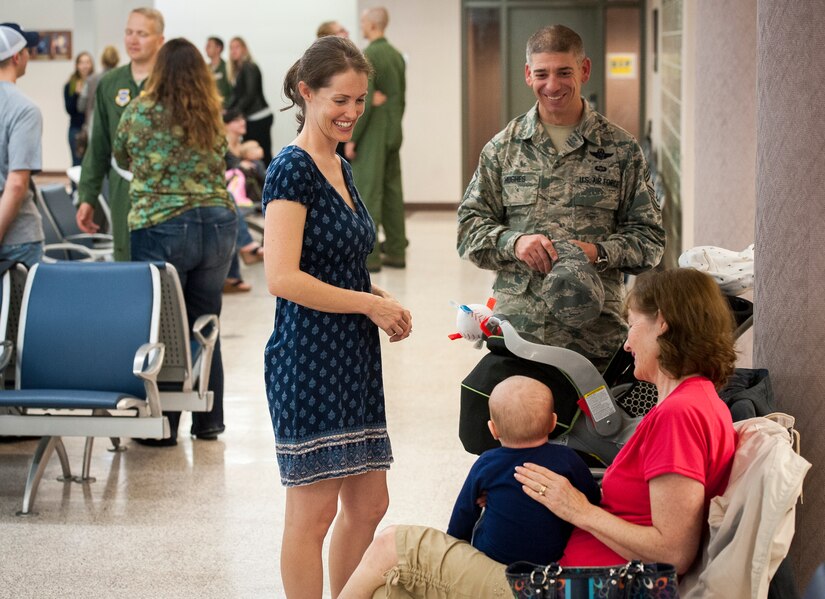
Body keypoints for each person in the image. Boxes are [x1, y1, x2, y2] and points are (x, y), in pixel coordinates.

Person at [339, 267, 739, 598]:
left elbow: (673, 551)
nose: (628, 341)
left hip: (573, 588)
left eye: (633, 326)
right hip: (572, 578)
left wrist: (577, 509)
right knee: (390, 592)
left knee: (391, 546)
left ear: (663, 325)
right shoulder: (694, 403)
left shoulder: (681, 416)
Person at [262, 35, 412, 599]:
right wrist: (368, 304)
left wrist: (380, 299)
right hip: (308, 356)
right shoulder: (291, 169)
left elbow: (337, 265)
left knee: (371, 502)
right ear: (306, 92)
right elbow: (284, 277)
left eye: (359, 100)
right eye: (339, 100)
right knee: (312, 513)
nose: (351, 112)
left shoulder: (339, 165)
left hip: (351, 355)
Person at [457, 24, 665, 372]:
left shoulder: (621, 150)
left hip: (596, 338)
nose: (552, 85)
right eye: (542, 74)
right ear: (528, 75)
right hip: (519, 334)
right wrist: (514, 242)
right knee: (508, 421)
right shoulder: (503, 148)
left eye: (564, 72)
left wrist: (598, 253)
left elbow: (651, 241)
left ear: (584, 70)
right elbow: (468, 232)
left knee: (596, 427)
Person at [113, 37, 237, 445]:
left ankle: (162, 429)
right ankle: (209, 420)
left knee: (162, 328)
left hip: (161, 224)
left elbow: (122, 157)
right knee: (207, 322)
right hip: (217, 225)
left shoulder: (140, 112)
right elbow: (224, 159)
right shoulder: (210, 114)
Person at [447, 375, 600, 565]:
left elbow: (463, 513)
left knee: (483, 525)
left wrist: (453, 552)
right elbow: (592, 498)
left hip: (493, 563)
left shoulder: (486, 464)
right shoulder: (568, 459)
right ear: (553, 422)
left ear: (493, 429)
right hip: (551, 562)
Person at [76, 8, 164, 262]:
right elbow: (99, 144)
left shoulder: (171, 81)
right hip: (122, 185)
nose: (133, 40)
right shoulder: (110, 82)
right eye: (128, 32)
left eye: (142, 34)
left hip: (164, 188)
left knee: (161, 258)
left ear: (160, 40)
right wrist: (87, 197)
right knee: (125, 252)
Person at [344, 7, 407, 272]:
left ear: (371, 25)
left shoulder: (369, 55)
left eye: (362, 22)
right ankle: (395, 250)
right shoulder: (396, 56)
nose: (361, 26)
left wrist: (353, 137)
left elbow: (365, 100)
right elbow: (400, 97)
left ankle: (369, 257)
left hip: (373, 133)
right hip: (393, 130)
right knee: (393, 192)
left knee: (367, 191)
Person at [0, 23, 44, 268]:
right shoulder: (24, 109)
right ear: (17, 57)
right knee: (19, 307)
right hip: (15, 238)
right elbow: (16, 183)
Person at [223, 108, 264, 293]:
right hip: (230, 193)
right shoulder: (222, 146)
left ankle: (234, 273)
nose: (242, 123)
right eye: (237, 121)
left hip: (244, 193)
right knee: (228, 208)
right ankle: (248, 248)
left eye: (242, 119)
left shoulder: (242, 147)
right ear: (226, 125)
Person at [226, 36, 273, 165]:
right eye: (231, 48)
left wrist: (232, 114)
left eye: (237, 47)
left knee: (261, 154)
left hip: (259, 118)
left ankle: (267, 183)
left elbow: (249, 95)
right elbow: (236, 96)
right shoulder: (238, 70)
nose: (233, 51)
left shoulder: (249, 67)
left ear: (244, 49)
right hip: (251, 118)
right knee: (253, 155)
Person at [77, 45, 120, 136]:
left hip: (94, 126)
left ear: (102, 60)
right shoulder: (123, 80)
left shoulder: (91, 80)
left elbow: (81, 106)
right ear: (117, 59)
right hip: (117, 126)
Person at [63, 51, 93, 166]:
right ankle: (76, 185)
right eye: (81, 63)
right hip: (76, 129)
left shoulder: (97, 82)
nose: (85, 66)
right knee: (77, 164)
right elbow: (69, 109)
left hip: (93, 128)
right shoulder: (70, 85)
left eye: (87, 62)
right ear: (77, 65)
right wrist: (76, 94)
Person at [205, 36, 232, 107]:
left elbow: (233, 92)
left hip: (224, 111)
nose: (206, 48)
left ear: (218, 48)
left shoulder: (227, 68)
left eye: (209, 46)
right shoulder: (204, 69)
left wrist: (227, 108)